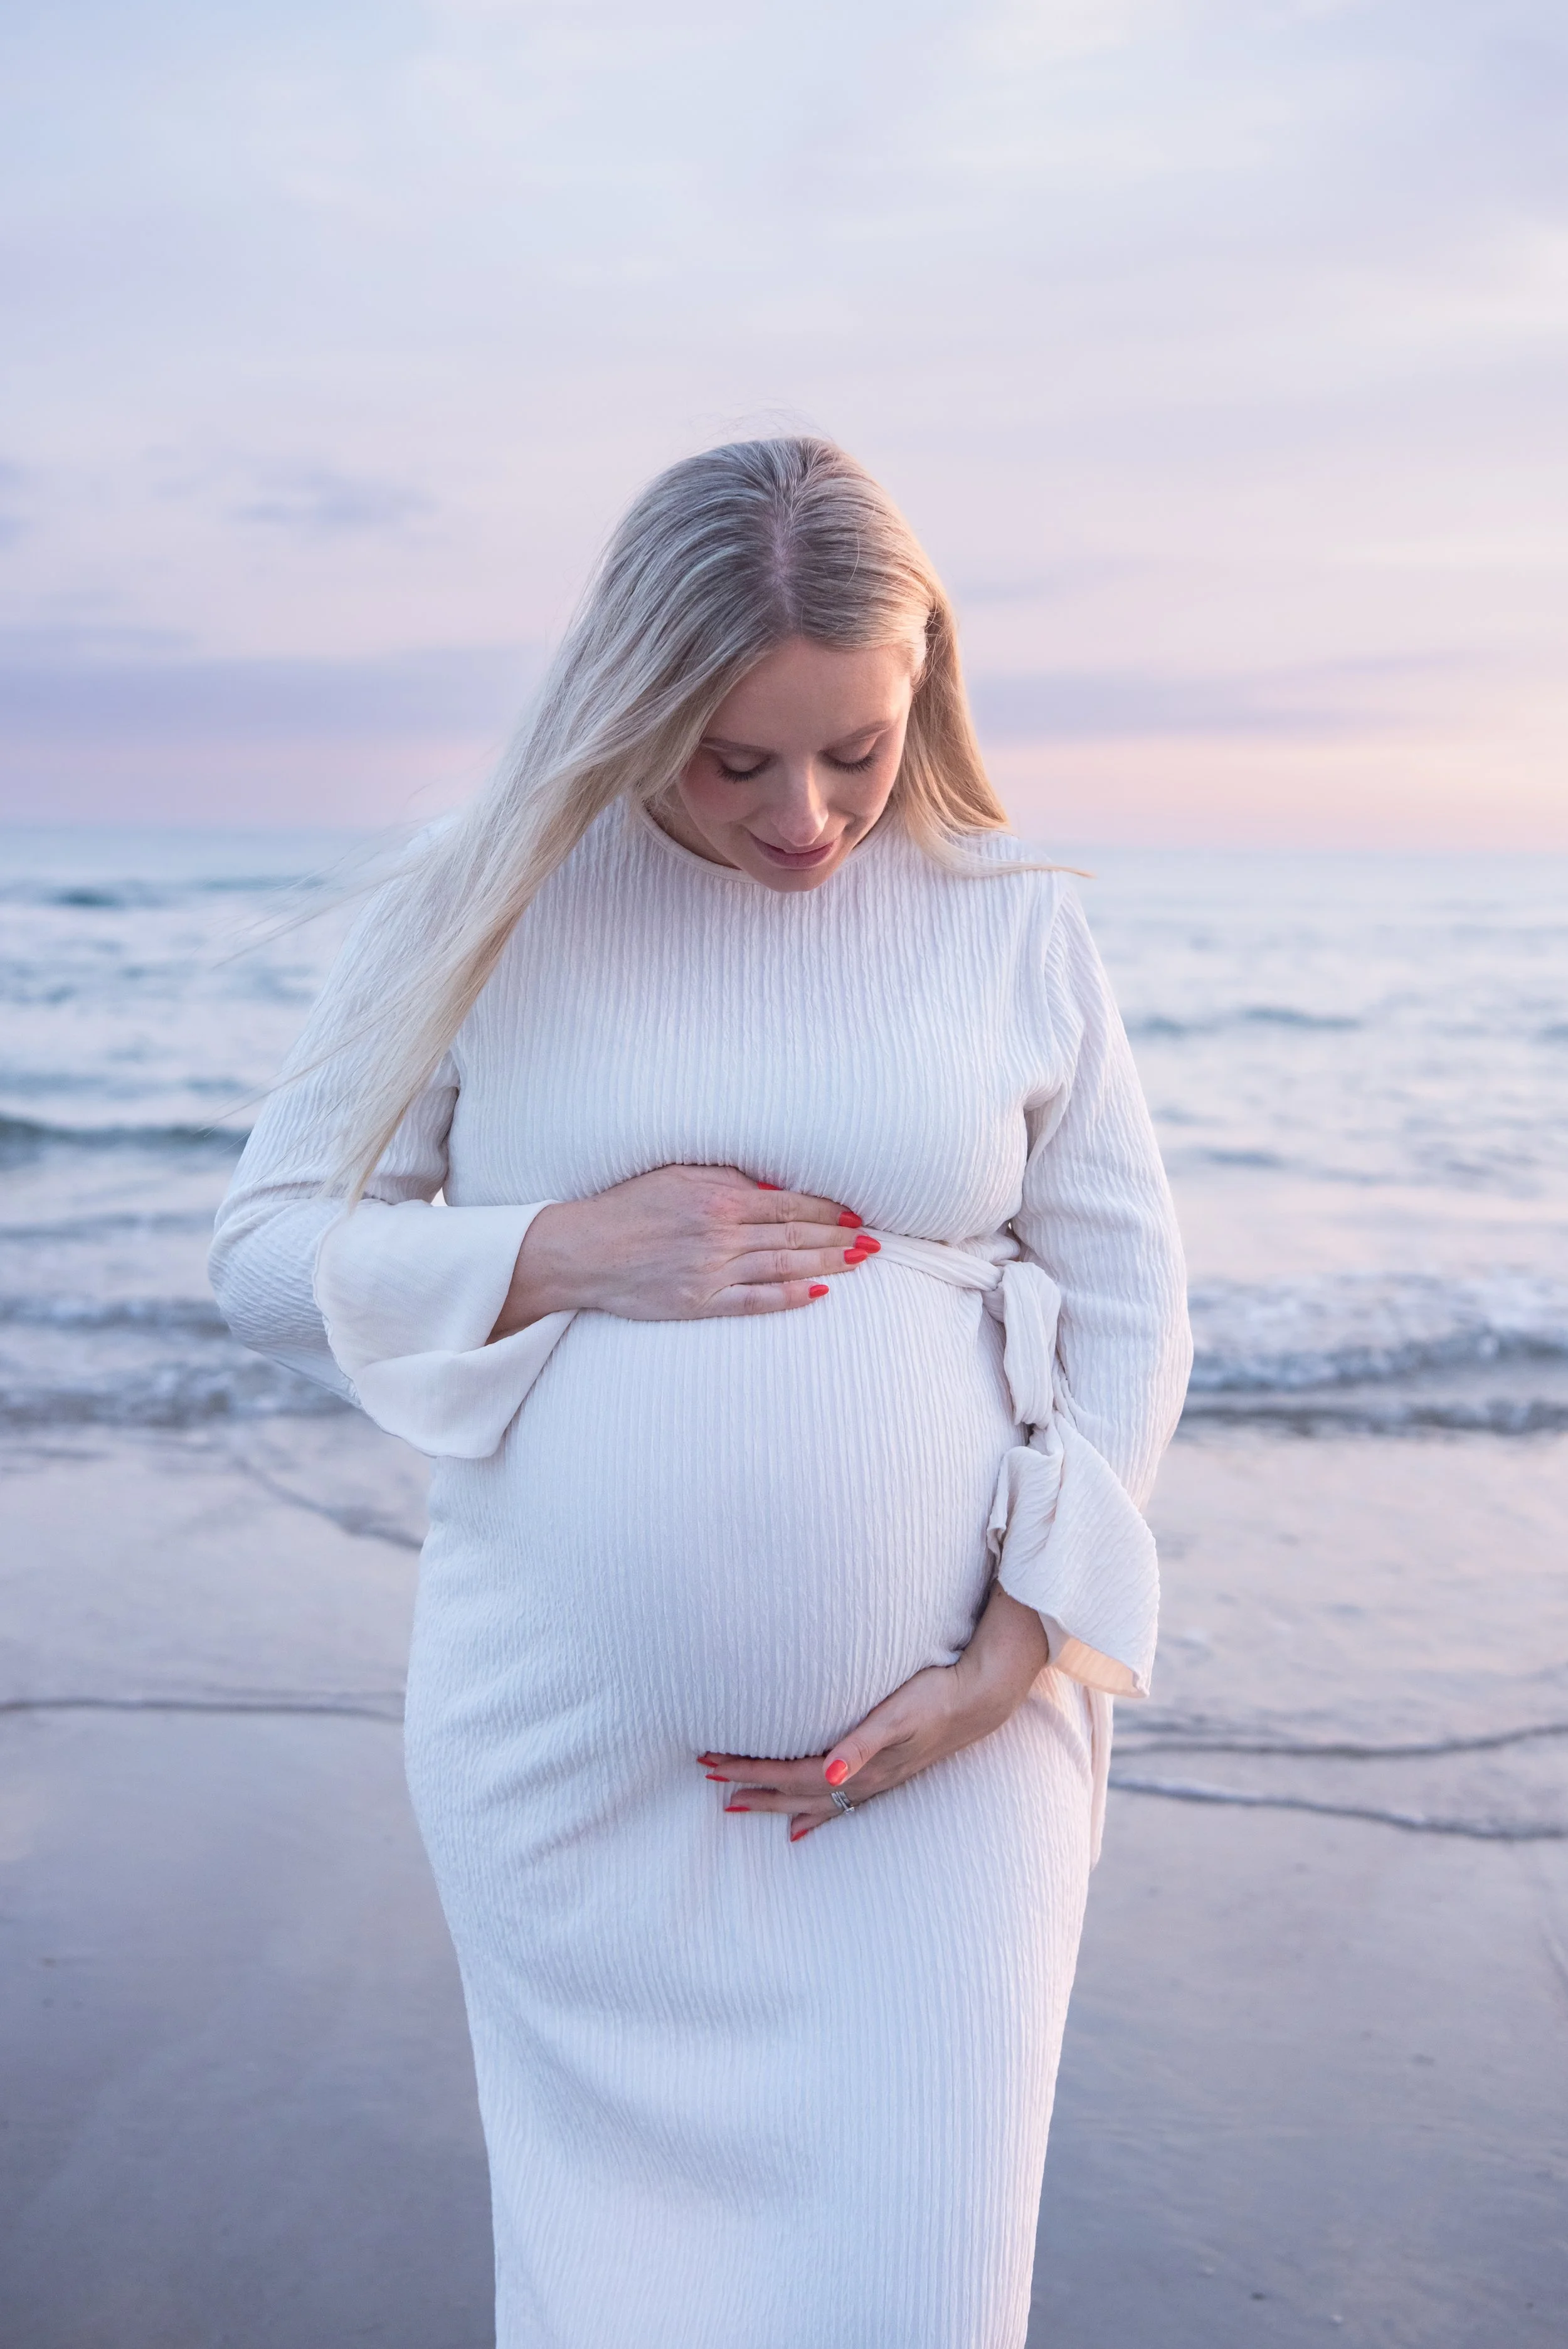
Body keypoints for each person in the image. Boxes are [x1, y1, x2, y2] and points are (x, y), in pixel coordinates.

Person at [210, 435, 1191, 2349]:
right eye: (734, 759)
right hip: (575, 1767)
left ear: (926, 692)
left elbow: (1133, 1287)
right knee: (617, 2300)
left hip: (949, 1755)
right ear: (629, 700)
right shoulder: (489, 898)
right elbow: (262, 1248)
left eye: (857, 746)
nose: (807, 816)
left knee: (921, 2292)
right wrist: (562, 1248)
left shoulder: (1003, 913)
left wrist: (1021, 1648)